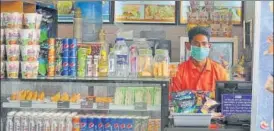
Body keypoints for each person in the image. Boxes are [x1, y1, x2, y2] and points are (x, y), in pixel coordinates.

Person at [170, 26, 229, 93]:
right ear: (188, 46)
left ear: (209, 46)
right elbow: (174, 98)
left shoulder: (219, 71)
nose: (200, 47)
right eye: (196, 43)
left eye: (204, 44)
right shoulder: (179, 71)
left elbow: (225, 97)